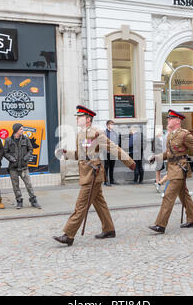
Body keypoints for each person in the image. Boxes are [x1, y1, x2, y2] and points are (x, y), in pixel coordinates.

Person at [53, 105, 135, 246]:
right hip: (86, 173)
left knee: (81, 206)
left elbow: (113, 147)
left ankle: (68, 235)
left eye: (80, 117)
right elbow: (80, 155)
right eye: (77, 116)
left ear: (88, 119)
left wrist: (130, 163)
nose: (77, 119)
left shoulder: (96, 133)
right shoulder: (80, 134)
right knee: (99, 203)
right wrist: (65, 153)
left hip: (93, 174)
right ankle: (109, 229)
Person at [148, 110, 193, 234]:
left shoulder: (185, 135)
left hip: (179, 169)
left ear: (177, 121)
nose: (168, 120)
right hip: (172, 168)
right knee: (184, 195)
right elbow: (168, 153)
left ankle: (160, 224)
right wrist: (157, 157)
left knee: (168, 196)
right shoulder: (171, 135)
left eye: (170, 119)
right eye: (168, 118)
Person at [3, 123, 41, 209]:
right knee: (15, 186)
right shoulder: (8, 140)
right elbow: (5, 152)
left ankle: (33, 201)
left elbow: (30, 149)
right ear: (16, 130)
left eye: (22, 129)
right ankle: (19, 201)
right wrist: (11, 158)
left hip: (24, 167)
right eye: (21, 129)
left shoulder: (26, 139)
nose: (22, 130)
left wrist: (26, 158)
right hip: (13, 168)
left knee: (29, 184)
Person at [103, 120, 120, 186]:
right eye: (111, 124)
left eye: (113, 124)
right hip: (106, 152)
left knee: (112, 167)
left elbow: (117, 142)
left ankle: (112, 180)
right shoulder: (104, 133)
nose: (112, 126)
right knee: (106, 167)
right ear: (107, 125)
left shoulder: (115, 133)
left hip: (113, 152)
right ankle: (106, 181)